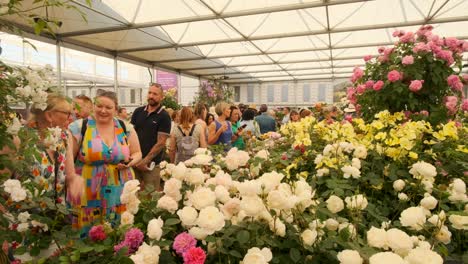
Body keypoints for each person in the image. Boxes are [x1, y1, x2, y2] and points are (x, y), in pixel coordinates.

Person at [69, 91, 142, 237]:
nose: (103, 110)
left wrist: (130, 162)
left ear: (115, 109)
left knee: (117, 229)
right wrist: (71, 181)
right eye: (99, 106)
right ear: (93, 107)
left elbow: (137, 153)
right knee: (87, 231)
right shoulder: (79, 127)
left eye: (108, 107)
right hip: (86, 190)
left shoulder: (125, 127)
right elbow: (69, 156)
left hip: (120, 190)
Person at [131, 83, 171, 190]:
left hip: (151, 165)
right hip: (134, 162)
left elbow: (161, 143)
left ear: (161, 97)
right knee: (132, 195)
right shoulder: (138, 112)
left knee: (151, 198)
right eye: (149, 93)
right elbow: (130, 135)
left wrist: (145, 161)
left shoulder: (164, 116)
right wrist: (134, 158)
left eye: (155, 94)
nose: (151, 96)